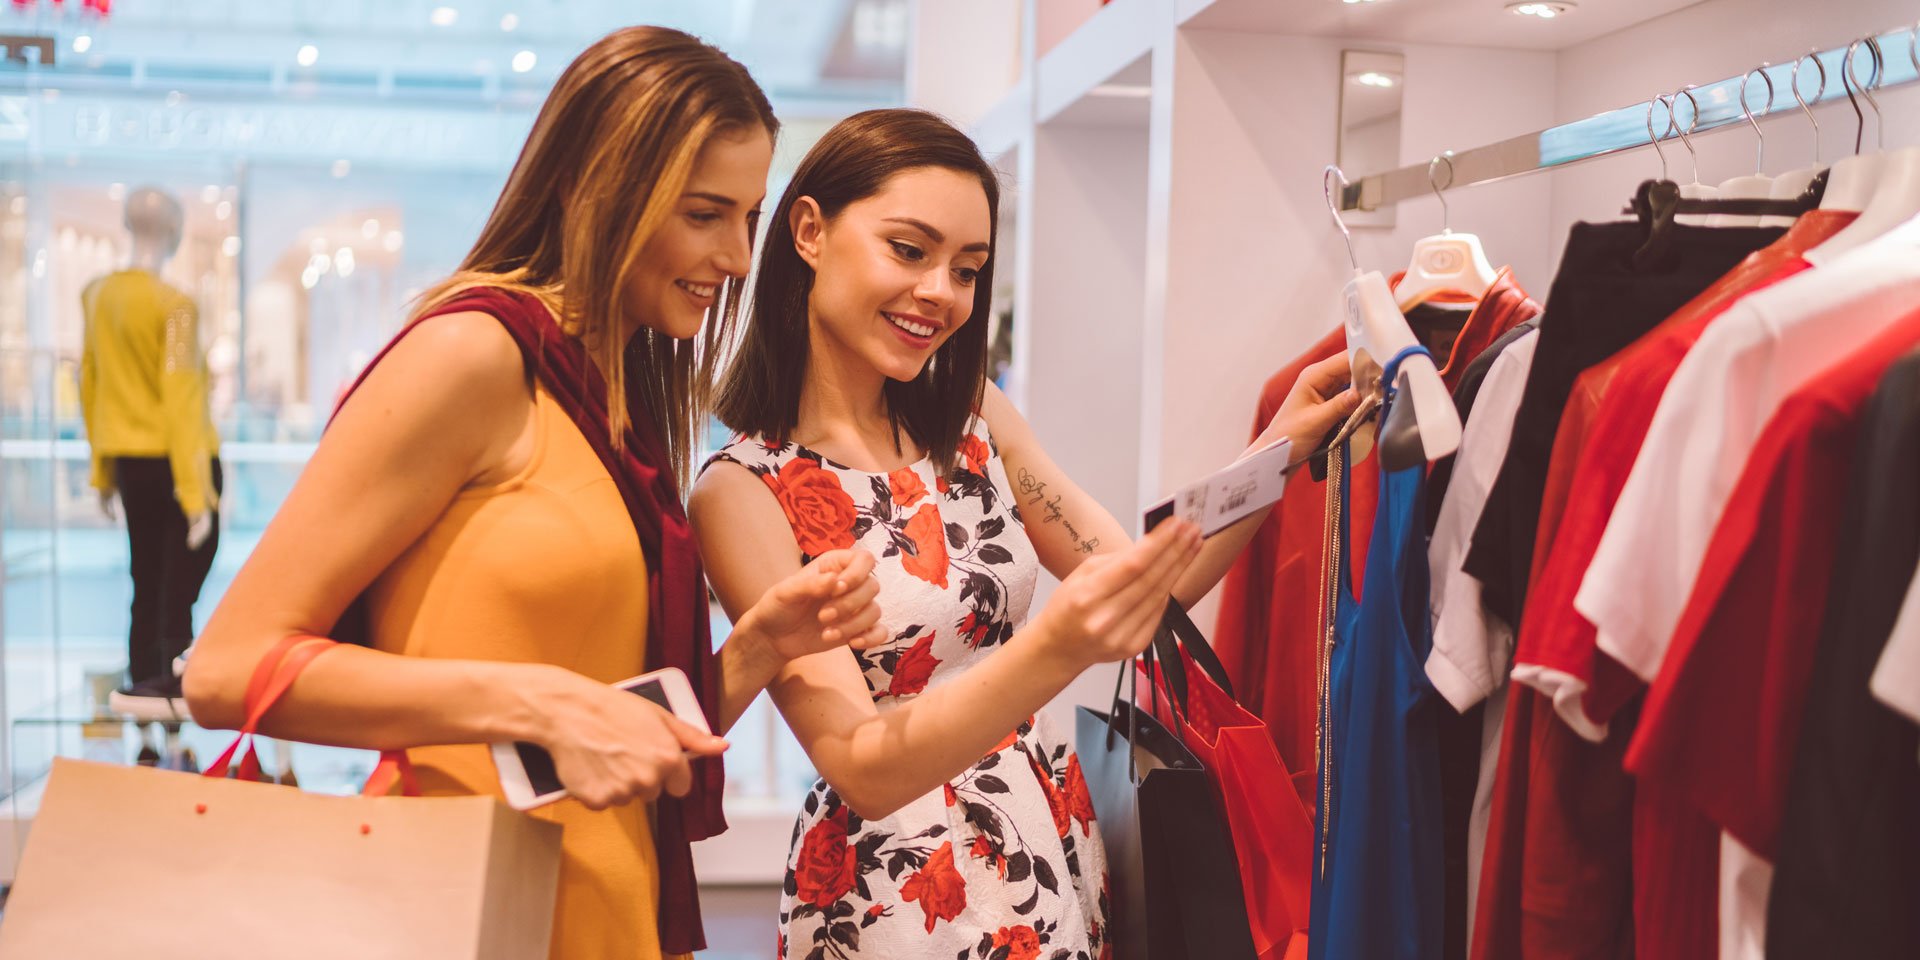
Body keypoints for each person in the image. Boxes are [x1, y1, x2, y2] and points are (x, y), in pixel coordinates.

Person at [184, 27, 886, 960]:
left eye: (748, 217)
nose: (739, 257)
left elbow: (599, 739)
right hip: (469, 906)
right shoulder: (474, 355)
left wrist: (755, 649)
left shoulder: (618, 394)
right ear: (597, 188)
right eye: (705, 213)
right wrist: (531, 701)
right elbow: (224, 671)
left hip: (599, 903)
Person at [692, 108, 1358, 958]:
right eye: (910, 250)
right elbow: (862, 766)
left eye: (967, 269)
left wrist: (1281, 447)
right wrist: (1061, 644)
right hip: (897, 887)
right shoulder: (743, 489)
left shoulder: (971, 418)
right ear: (810, 231)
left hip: (1042, 841)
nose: (940, 292)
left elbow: (1144, 586)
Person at [81, 186, 222, 724]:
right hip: (177, 464)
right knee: (178, 586)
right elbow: (183, 400)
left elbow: (91, 383)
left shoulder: (97, 297)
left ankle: (141, 692)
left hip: (129, 464)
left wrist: (102, 473)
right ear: (175, 231)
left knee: (145, 579)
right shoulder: (176, 307)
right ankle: (169, 693)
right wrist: (196, 494)